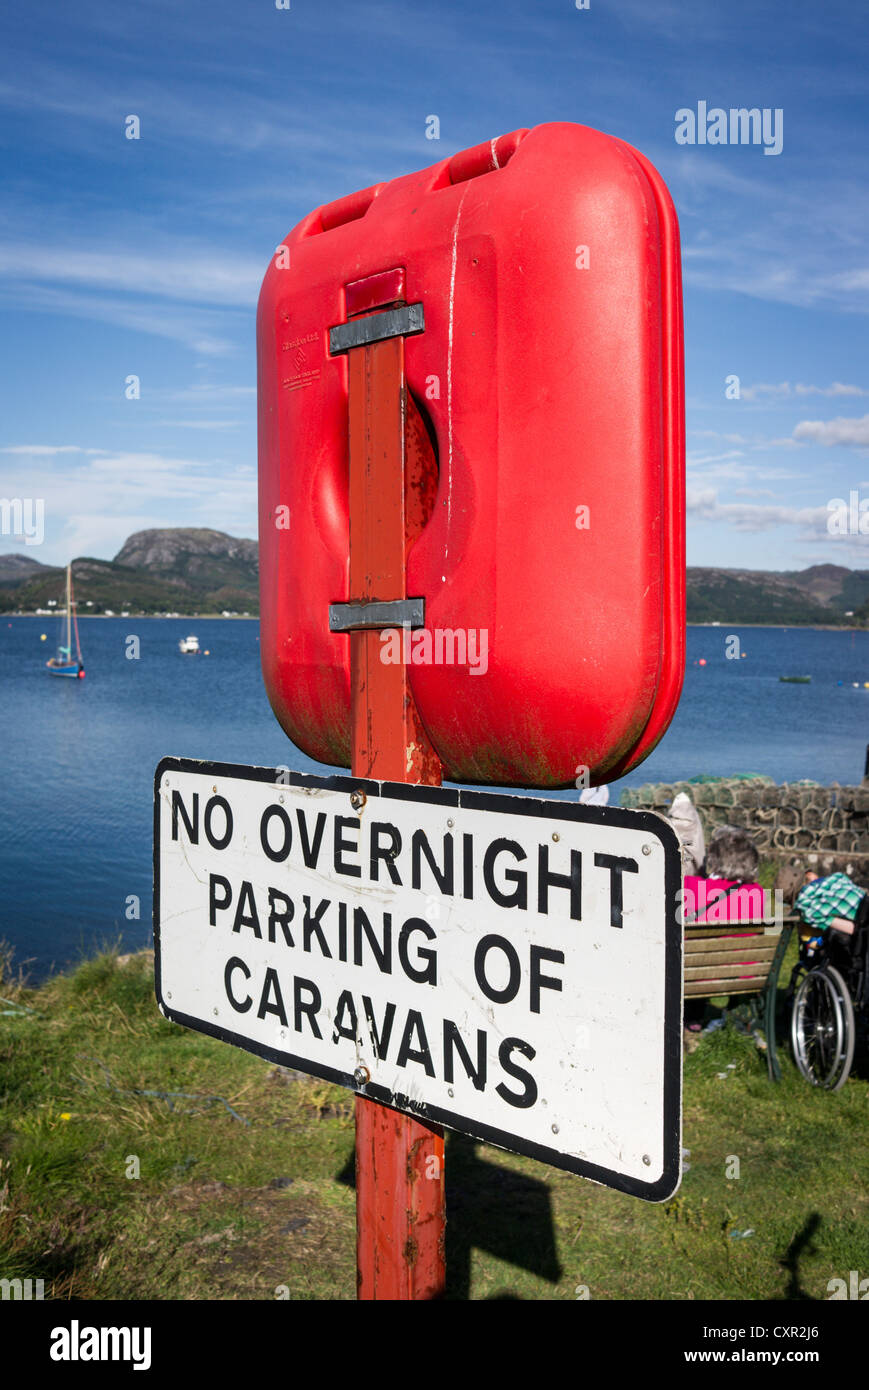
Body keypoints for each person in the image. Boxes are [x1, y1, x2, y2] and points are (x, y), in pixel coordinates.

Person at [795, 870, 866, 937]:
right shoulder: (838, 878)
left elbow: (809, 914)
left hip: (862, 919)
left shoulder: (808, 902)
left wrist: (858, 931)